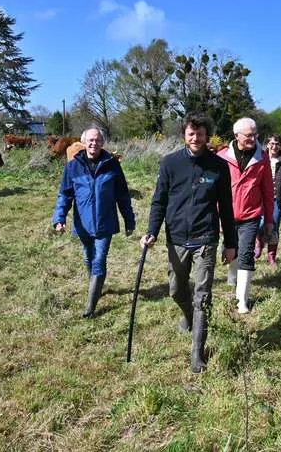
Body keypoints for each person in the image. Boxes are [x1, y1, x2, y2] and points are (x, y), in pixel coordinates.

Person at [141, 113, 237, 373]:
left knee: (202, 296)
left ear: (207, 136)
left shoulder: (218, 166)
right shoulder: (170, 163)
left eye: (201, 134)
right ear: (184, 134)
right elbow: (159, 201)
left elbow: (226, 208)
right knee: (175, 289)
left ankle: (197, 353)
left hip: (206, 237)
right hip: (177, 238)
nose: (196, 138)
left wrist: (231, 243)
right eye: (191, 133)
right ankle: (188, 317)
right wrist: (152, 232)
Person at [53, 127, 135, 318]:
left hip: (105, 222)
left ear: (102, 143)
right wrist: (60, 218)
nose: (94, 144)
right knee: (88, 257)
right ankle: (96, 287)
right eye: (90, 140)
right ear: (84, 142)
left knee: (99, 259)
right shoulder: (73, 167)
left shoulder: (112, 165)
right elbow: (65, 195)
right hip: (83, 223)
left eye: (97, 140)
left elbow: (122, 195)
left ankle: (90, 307)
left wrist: (129, 219)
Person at [217, 118, 275, 314]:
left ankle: (242, 300)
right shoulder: (222, 157)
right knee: (230, 250)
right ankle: (233, 277)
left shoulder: (262, 158)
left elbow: (268, 191)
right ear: (236, 136)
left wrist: (268, 221)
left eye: (254, 134)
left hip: (251, 215)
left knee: (246, 253)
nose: (252, 138)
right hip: (226, 215)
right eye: (248, 135)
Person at [254, 134, 281, 267]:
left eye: (277, 144)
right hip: (260, 199)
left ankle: (271, 257)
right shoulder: (260, 158)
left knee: (274, 226)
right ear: (267, 145)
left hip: (277, 199)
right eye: (271, 143)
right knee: (259, 224)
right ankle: (258, 242)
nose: (274, 146)